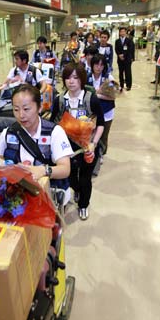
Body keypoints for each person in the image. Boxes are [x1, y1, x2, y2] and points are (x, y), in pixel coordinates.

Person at [0, 84, 73, 202]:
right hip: (18, 196)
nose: (21, 115)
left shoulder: (54, 132)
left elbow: (65, 169)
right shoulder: (8, 134)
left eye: (26, 109)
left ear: (40, 107)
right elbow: (1, 161)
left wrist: (42, 170)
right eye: (16, 109)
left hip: (48, 194)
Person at [51, 63, 104, 220]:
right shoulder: (60, 100)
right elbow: (53, 123)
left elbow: (100, 123)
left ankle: (83, 205)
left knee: (86, 178)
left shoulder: (90, 99)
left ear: (81, 79)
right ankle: (77, 190)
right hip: (67, 150)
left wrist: (94, 143)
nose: (71, 81)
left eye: (75, 77)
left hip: (88, 147)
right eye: (67, 77)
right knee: (72, 177)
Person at [91, 54, 116, 157]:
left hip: (107, 112)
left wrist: (98, 95)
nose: (99, 67)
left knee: (103, 136)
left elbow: (113, 96)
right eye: (97, 64)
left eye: (101, 65)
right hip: (92, 113)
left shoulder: (109, 78)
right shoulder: (87, 76)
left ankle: (101, 154)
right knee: (91, 135)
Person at [115, 27, 135, 91]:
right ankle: (121, 85)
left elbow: (130, 49)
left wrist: (124, 55)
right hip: (120, 60)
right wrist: (119, 55)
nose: (122, 33)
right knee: (121, 72)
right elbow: (116, 49)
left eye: (123, 31)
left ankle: (128, 85)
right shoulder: (117, 41)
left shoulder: (129, 40)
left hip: (127, 59)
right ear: (119, 33)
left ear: (126, 32)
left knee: (128, 72)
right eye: (121, 32)